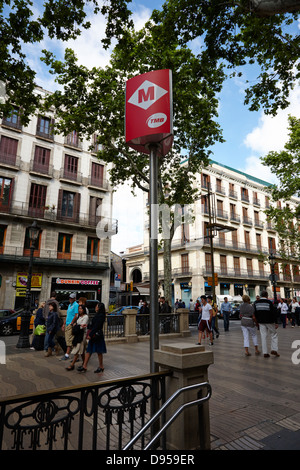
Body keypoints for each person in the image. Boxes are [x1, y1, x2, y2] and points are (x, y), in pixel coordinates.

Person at [77, 302, 107, 373]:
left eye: (96, 306)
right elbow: (93, 324)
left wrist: (90, 334)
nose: (95, 307)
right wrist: (87, 326)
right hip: (94, 335)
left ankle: (101, 366)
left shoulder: (101, 316)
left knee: (99, 351)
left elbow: (96, 326)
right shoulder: (97, 315)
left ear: (99, 308)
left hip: (97, 335)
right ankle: (84, 366)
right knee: (89, 350)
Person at [253, 290, 280, 358]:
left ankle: (265, 352)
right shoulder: (269, 302)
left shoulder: (256, 303)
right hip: (270, 321)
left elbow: (255, 313)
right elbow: (273, 313)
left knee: (263, 336)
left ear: (261, 295)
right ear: (267, 296)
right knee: (274, 334)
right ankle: (274, 349)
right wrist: (276, 322)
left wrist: (256, 322)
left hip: (261, 322)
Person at [66, 305, 89, 371]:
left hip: (82, 336)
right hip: (78, 335)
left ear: (84, 309)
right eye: (79, 309)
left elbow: (82, 326)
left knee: (77, 350)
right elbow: (78, 325)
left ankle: (72, 365)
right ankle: (84, 364)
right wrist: (77, 325)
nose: (79, 310)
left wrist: (77, 326)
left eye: (81, 309)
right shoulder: (79, 317)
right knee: (81, 352)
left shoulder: (85, 317)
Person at [61, 293, 79, 361]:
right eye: (69, 298)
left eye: (71, 298)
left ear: (74, 299)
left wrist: (71, 323)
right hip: (67, 324)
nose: (70, 299)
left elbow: (76, 315)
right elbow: (67, 315)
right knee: (68, 340)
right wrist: (64, 324)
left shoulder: (76, 305)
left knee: (69, 340)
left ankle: (67, 354)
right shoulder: (69, 305)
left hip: (70, 325)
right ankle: (74, 355)